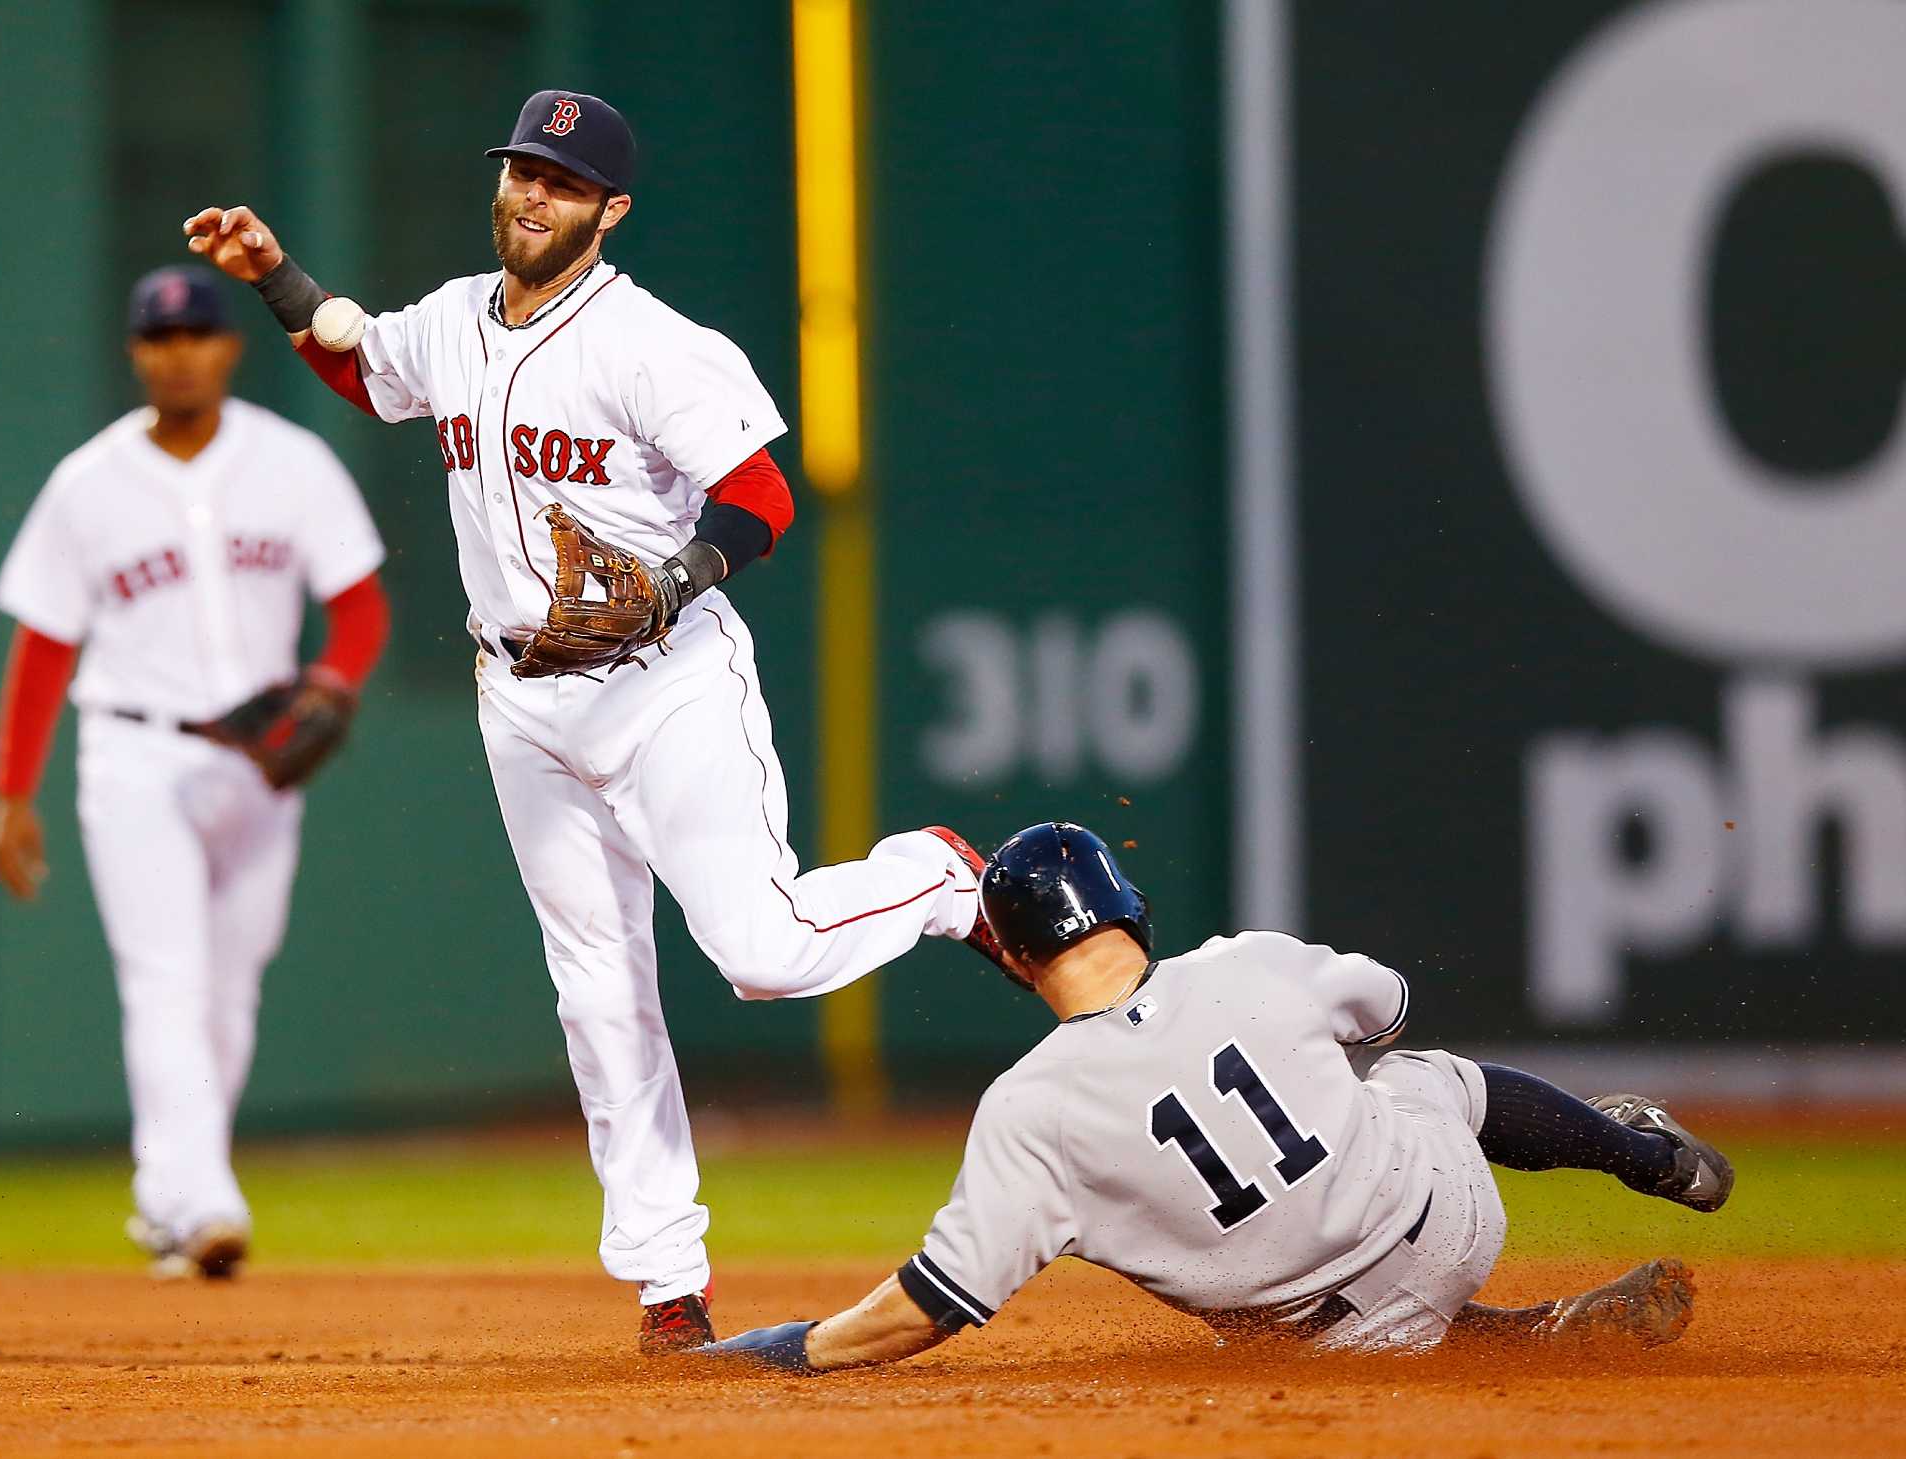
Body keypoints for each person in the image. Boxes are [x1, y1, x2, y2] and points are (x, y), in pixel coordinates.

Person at [180, 90, 996, 1351]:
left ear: (608, 210)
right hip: (518, 695)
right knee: (598, 992)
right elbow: (365, 367)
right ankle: (668, 1282)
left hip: (663, 680)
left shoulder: (653, 344)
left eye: (559, 182)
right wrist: (273, 273)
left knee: (760, 953)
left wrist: (674, 580)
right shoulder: (454, 317)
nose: (528, 194)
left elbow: (760, 493)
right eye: (518, 169)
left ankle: (936, 877)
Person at [700, 822, 1734, 1372]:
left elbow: (929, 1306)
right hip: (1451, 1215)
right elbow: (1388, 1010)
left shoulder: (1028, 1110)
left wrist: (794, 1348)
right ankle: (1645, 1156)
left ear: (1009, 959)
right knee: (1420, 1078)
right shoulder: (1248, 962)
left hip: (1331, 1343)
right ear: (1127, 908)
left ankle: (1510, 1324)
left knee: (1216, 1247)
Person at [0, 266, 390, 1279]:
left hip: (258, 759)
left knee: (231, 985)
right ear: (136, 354)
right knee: (164, 978)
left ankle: (168, 1196)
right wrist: (10, 791)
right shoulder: (88, 483)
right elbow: (43, 644)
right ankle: (205, 1196)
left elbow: (360, 606)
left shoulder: (289, 463)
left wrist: (333, 684)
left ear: (228, 347)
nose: (178, 352)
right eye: (158, 338)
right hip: (133, 750)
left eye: (196, 334)